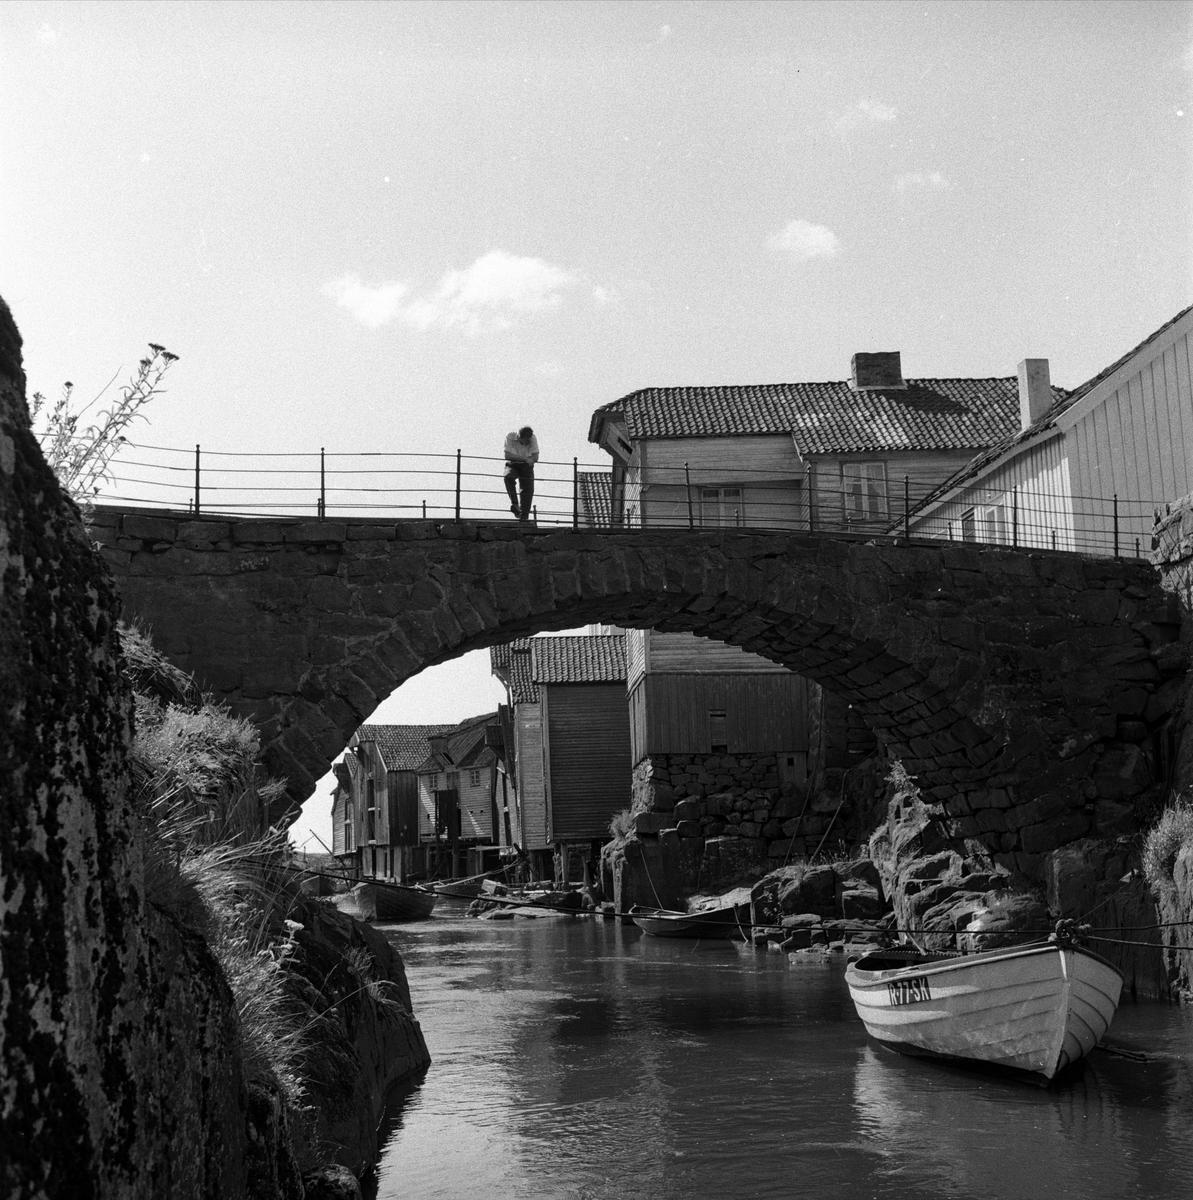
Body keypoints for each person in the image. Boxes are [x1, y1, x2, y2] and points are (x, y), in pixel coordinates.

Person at [503, 425, 539, 520]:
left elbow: (536, 457)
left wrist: (527, 461)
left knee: (528, 490)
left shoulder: (532, 438)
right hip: (513, 464)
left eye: (528, 440)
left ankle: (524, 518)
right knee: (508, 477)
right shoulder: (510, 436)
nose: (527, 443)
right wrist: (525, 459)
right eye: (525, 441)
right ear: (519, 437)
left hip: (526, 466)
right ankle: (515, 504)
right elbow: (507, 455)